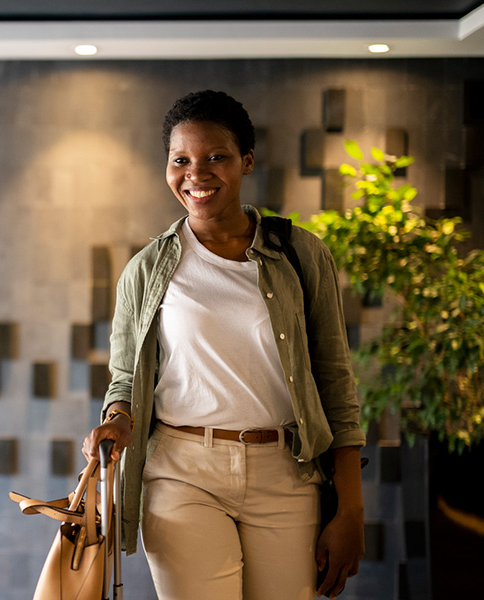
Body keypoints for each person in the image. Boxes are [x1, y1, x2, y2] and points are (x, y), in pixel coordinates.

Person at [82, 90, 366, 600]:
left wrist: (351, 511)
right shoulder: (146, 270)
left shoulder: (301, 254)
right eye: (181, 160)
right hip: (182, 471)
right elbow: (124, 378)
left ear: (246, 162)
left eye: (216, 157)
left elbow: (335, 382)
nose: (197, 173)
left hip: (286, 472)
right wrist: (118, 419)